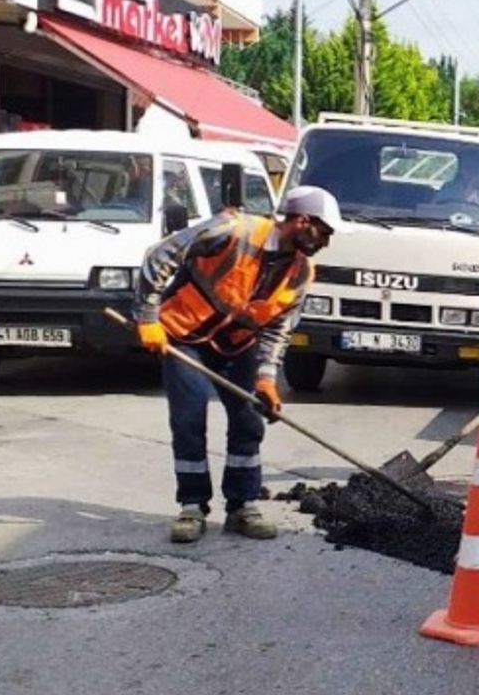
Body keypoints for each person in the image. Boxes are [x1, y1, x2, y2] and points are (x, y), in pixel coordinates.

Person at [133, 186, 342, 543]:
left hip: (237, 346)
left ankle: (243, 505)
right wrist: (148, 317)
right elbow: (159, 256)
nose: (326, 241)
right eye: (324, 232)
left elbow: (278, 331)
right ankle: (192, 506)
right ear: (301, 220)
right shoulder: (233, 230)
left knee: (248, 421)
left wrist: (266, 379)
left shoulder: (301, 272)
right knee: (189, 419)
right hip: (185, 335)